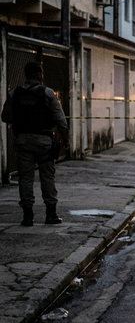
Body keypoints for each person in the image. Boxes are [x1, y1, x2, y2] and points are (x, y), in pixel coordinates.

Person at [1, 62, 70, 226]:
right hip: (43, 141)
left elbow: (5, 117)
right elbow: (61, 120)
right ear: (39, 74)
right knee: (47, 177)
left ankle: (27, 216)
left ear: (26, 74)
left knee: (25, 178)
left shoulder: (14, 94)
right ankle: (51, 214)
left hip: (23, 140)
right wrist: (66, 138)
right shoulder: (47, 93)